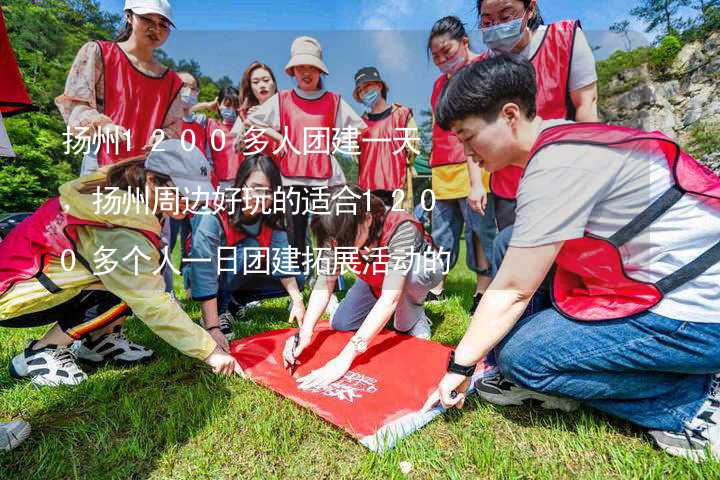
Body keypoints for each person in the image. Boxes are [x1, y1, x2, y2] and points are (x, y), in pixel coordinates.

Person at [426, 54, 720, 461]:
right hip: (666, 281)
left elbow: (511, 290)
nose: (466, 152)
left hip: (699, 315)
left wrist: (461, 365)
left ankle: (692, 401)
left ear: (509, 115)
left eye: (468, 136)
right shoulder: (564, 137)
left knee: (523, 359)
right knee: (508, 240)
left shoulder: (555, 168)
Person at [0, 140, 242, 389]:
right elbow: (151, 302)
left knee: (137, 276)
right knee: (136, 286)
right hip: (16, 294)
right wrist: (210, 351)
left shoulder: (129, 191)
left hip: (35, 281)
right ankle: (41, 352)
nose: (190, 203)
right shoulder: (119, 218)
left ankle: (100, 342)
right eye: (181, 193)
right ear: (152, 181)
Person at [476, 0, 599, 284]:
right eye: (487, 20)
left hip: (562, 179)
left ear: (530, 9)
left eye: (506, 15)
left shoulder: (564, 39)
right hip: (510, 187)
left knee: (566, 269)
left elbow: (587, 108)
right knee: (518, 267)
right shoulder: (483, 67)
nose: (496, 27)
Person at [282, 184, 445, 389]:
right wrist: (305, 332)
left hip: (413, 272)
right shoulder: (334, 230)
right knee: (342, 323)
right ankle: (379, 306)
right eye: (336, 243)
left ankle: (415, 312)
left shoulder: (401, 226)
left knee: (403, 319)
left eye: (348, 241)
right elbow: (326, 280)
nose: (341, 248)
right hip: (374, 276)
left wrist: (345, 358)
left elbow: (389, 298)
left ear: (368, 219)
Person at [239, 36, 366, 269]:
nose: (306, 72)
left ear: (320, 71)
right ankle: (300, 280)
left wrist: (335, 143)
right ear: (292, 71)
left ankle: (329, 285)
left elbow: (358, 128)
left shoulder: (333, 101)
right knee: (294, 234)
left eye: (312, 67)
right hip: (291, 179)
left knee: (329, 231)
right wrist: (278, 136)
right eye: (301, 67)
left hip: (325, 180)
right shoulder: (282, 100)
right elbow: (252, 121)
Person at [184, 155, 305, 349]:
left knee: (298, 279)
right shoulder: (213, 213)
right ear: (241, 185)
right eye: (256, 189)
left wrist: (298, 301)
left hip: (239, 271)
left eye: (268, 192)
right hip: (205, 275)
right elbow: (204, 269)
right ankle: (219, 312)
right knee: (251, 249)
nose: (261, 198)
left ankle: (235, 302)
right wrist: (212, 327)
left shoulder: (272, 215)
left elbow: (283, 261)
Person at [56, 0, 183, 174]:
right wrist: (104, 126)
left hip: (146, 171)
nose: (156, 29)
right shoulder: (99, 53)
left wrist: (164, 137)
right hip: (100, 164)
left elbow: (174, 126)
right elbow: (75, 105)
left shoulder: (172, 81)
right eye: (147, 19)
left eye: (163, 24)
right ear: (129, 16)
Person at [427, 16, 497, 313]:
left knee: (479, 231)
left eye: (447, 51)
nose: (443, 59)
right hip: (442, 168)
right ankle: (434, 288)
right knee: (441, 232)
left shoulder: (485, 67)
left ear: (465, 42)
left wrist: (478, 180)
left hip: (477, 165)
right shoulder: (439, 84)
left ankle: (482, 291)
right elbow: (436, 125)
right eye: (437, 56)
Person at [352, 66, 419, 211]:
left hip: (397, 190)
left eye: (367, 86)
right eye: (360, 90)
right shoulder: (359, 125)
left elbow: (412, 150)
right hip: (369, 193)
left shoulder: (402, 115)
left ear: (379, 85)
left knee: (397, 230)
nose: (364, 92)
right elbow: (356, 157)